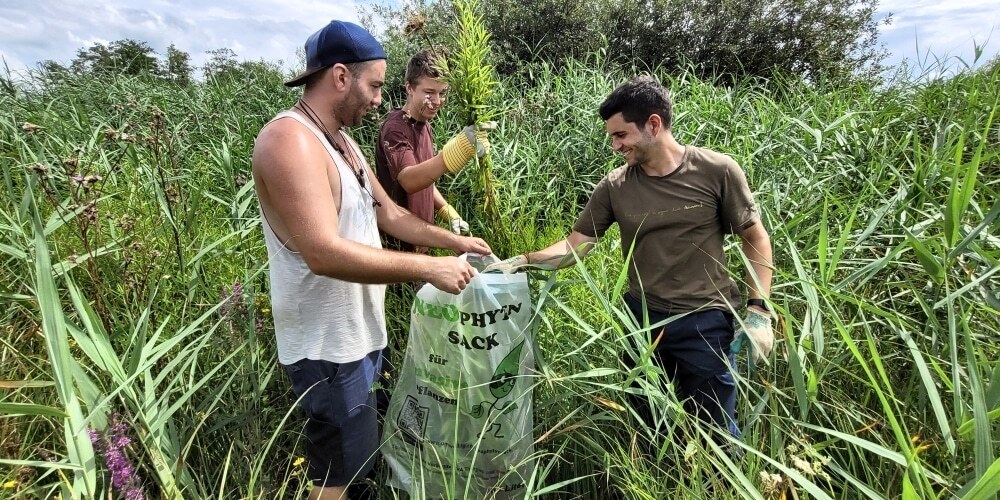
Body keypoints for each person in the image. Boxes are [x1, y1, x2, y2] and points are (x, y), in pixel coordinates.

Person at [251, 20, 491, 500]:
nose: (380, 99)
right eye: (376, 85)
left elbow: (393, 214)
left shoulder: (344, 144)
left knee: (357, 466)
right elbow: (321, 252)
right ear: (341, 76)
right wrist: (429, 268)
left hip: (360, 340)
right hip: (327, 350)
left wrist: (454, 242)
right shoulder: (290, 141)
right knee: (335, 479)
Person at [486, 76, 774, 441]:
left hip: (705, 322)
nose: (615, 146)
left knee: (715, 431)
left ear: (653, 124)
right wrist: (522, 261)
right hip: (640, 320)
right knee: (647, 426)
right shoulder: (615, 186)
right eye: (612, 137)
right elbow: (576, 245)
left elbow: (756, 237)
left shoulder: (716, 170)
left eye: (621, 135)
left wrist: (758, 312)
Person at [375, 48, 490, 251]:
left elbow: (425, 177)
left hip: (423, 240)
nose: (437, 102)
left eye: (442, 93)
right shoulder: (395, 128)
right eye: (429, 93)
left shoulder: (424, 124)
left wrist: (446, 210)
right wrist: (457, 151)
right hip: (399, 248)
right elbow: (410, 180)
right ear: (409, 88)